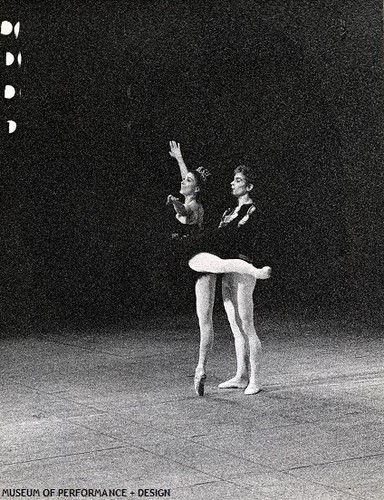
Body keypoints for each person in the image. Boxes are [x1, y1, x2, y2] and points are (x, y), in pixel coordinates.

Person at [167, 142, 271, 396]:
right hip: (226, 269)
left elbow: (240, 236)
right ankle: (240, 375)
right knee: (235, 326)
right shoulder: (229, 210)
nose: (233, 184)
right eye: (233, 180)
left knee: (247, 324)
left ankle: (255, 379)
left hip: (243, 266)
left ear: (249, 186)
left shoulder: (251, 210)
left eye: (238, 180)